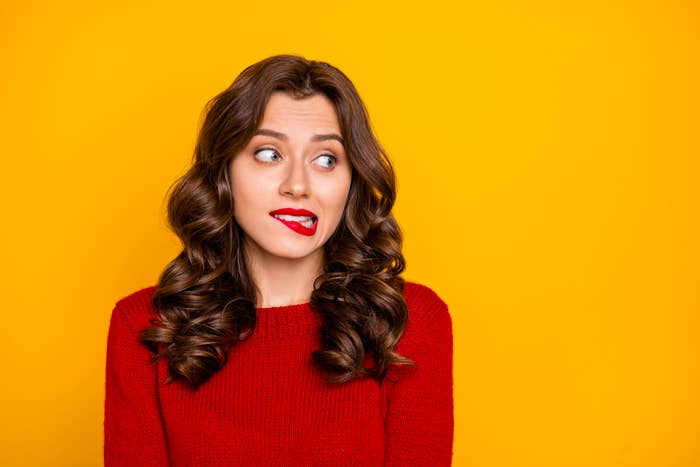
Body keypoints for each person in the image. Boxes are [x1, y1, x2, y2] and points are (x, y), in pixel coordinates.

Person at [104, 54, 453, 466]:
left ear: (352, 181)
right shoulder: (144, 328)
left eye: (326, 159)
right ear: (224, 173)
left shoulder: (408, 323)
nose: (298, 185)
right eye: (269, 154)